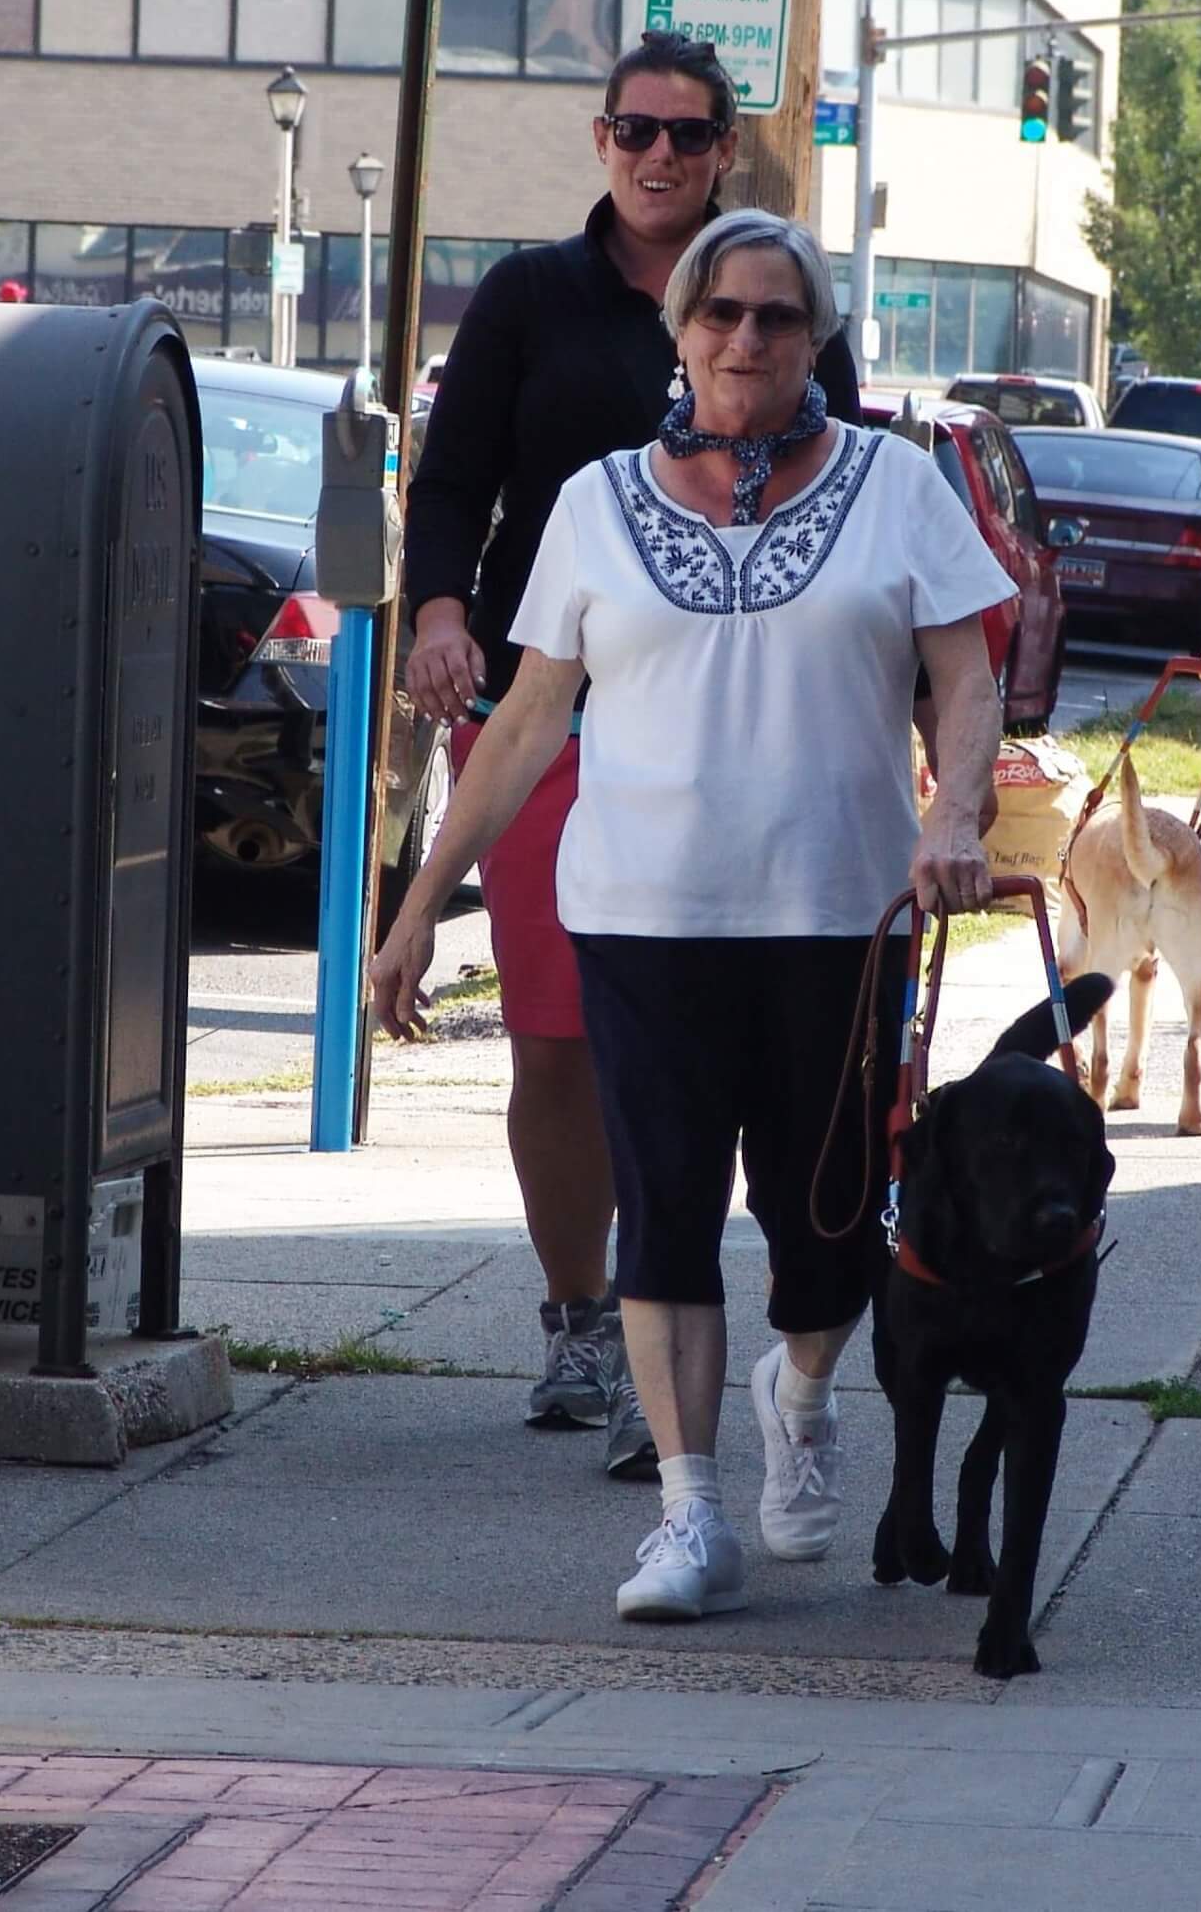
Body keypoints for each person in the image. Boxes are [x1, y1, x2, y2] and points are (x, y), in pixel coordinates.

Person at [374, 209, 1013, 1625]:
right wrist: (421, 900)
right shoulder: (598, 502)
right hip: (643, 916)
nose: (745, 339)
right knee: (663, 1216)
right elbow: (531, 714)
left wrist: (953, 814)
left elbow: (964, 679)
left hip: (841, 916)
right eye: (719, 312)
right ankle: (689, 1508)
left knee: (826, 1219)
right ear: (681, 330)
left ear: (816, 337)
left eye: (776, 317)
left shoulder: (901, 489)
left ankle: (802, 1397)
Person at [403, 31, 861, 1481]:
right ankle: (580, 1316)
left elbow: (841, 471)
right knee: (554, 1026)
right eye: (634, 130)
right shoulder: (532, 296)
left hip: (734, 725)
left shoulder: (774, 292)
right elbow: (455, 475)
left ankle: (673, 1317)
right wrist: (437, 615)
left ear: (728, 146)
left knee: (701, 1045)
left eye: (688, 133)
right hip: (555, 704)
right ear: (601, 142)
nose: (658, 154)